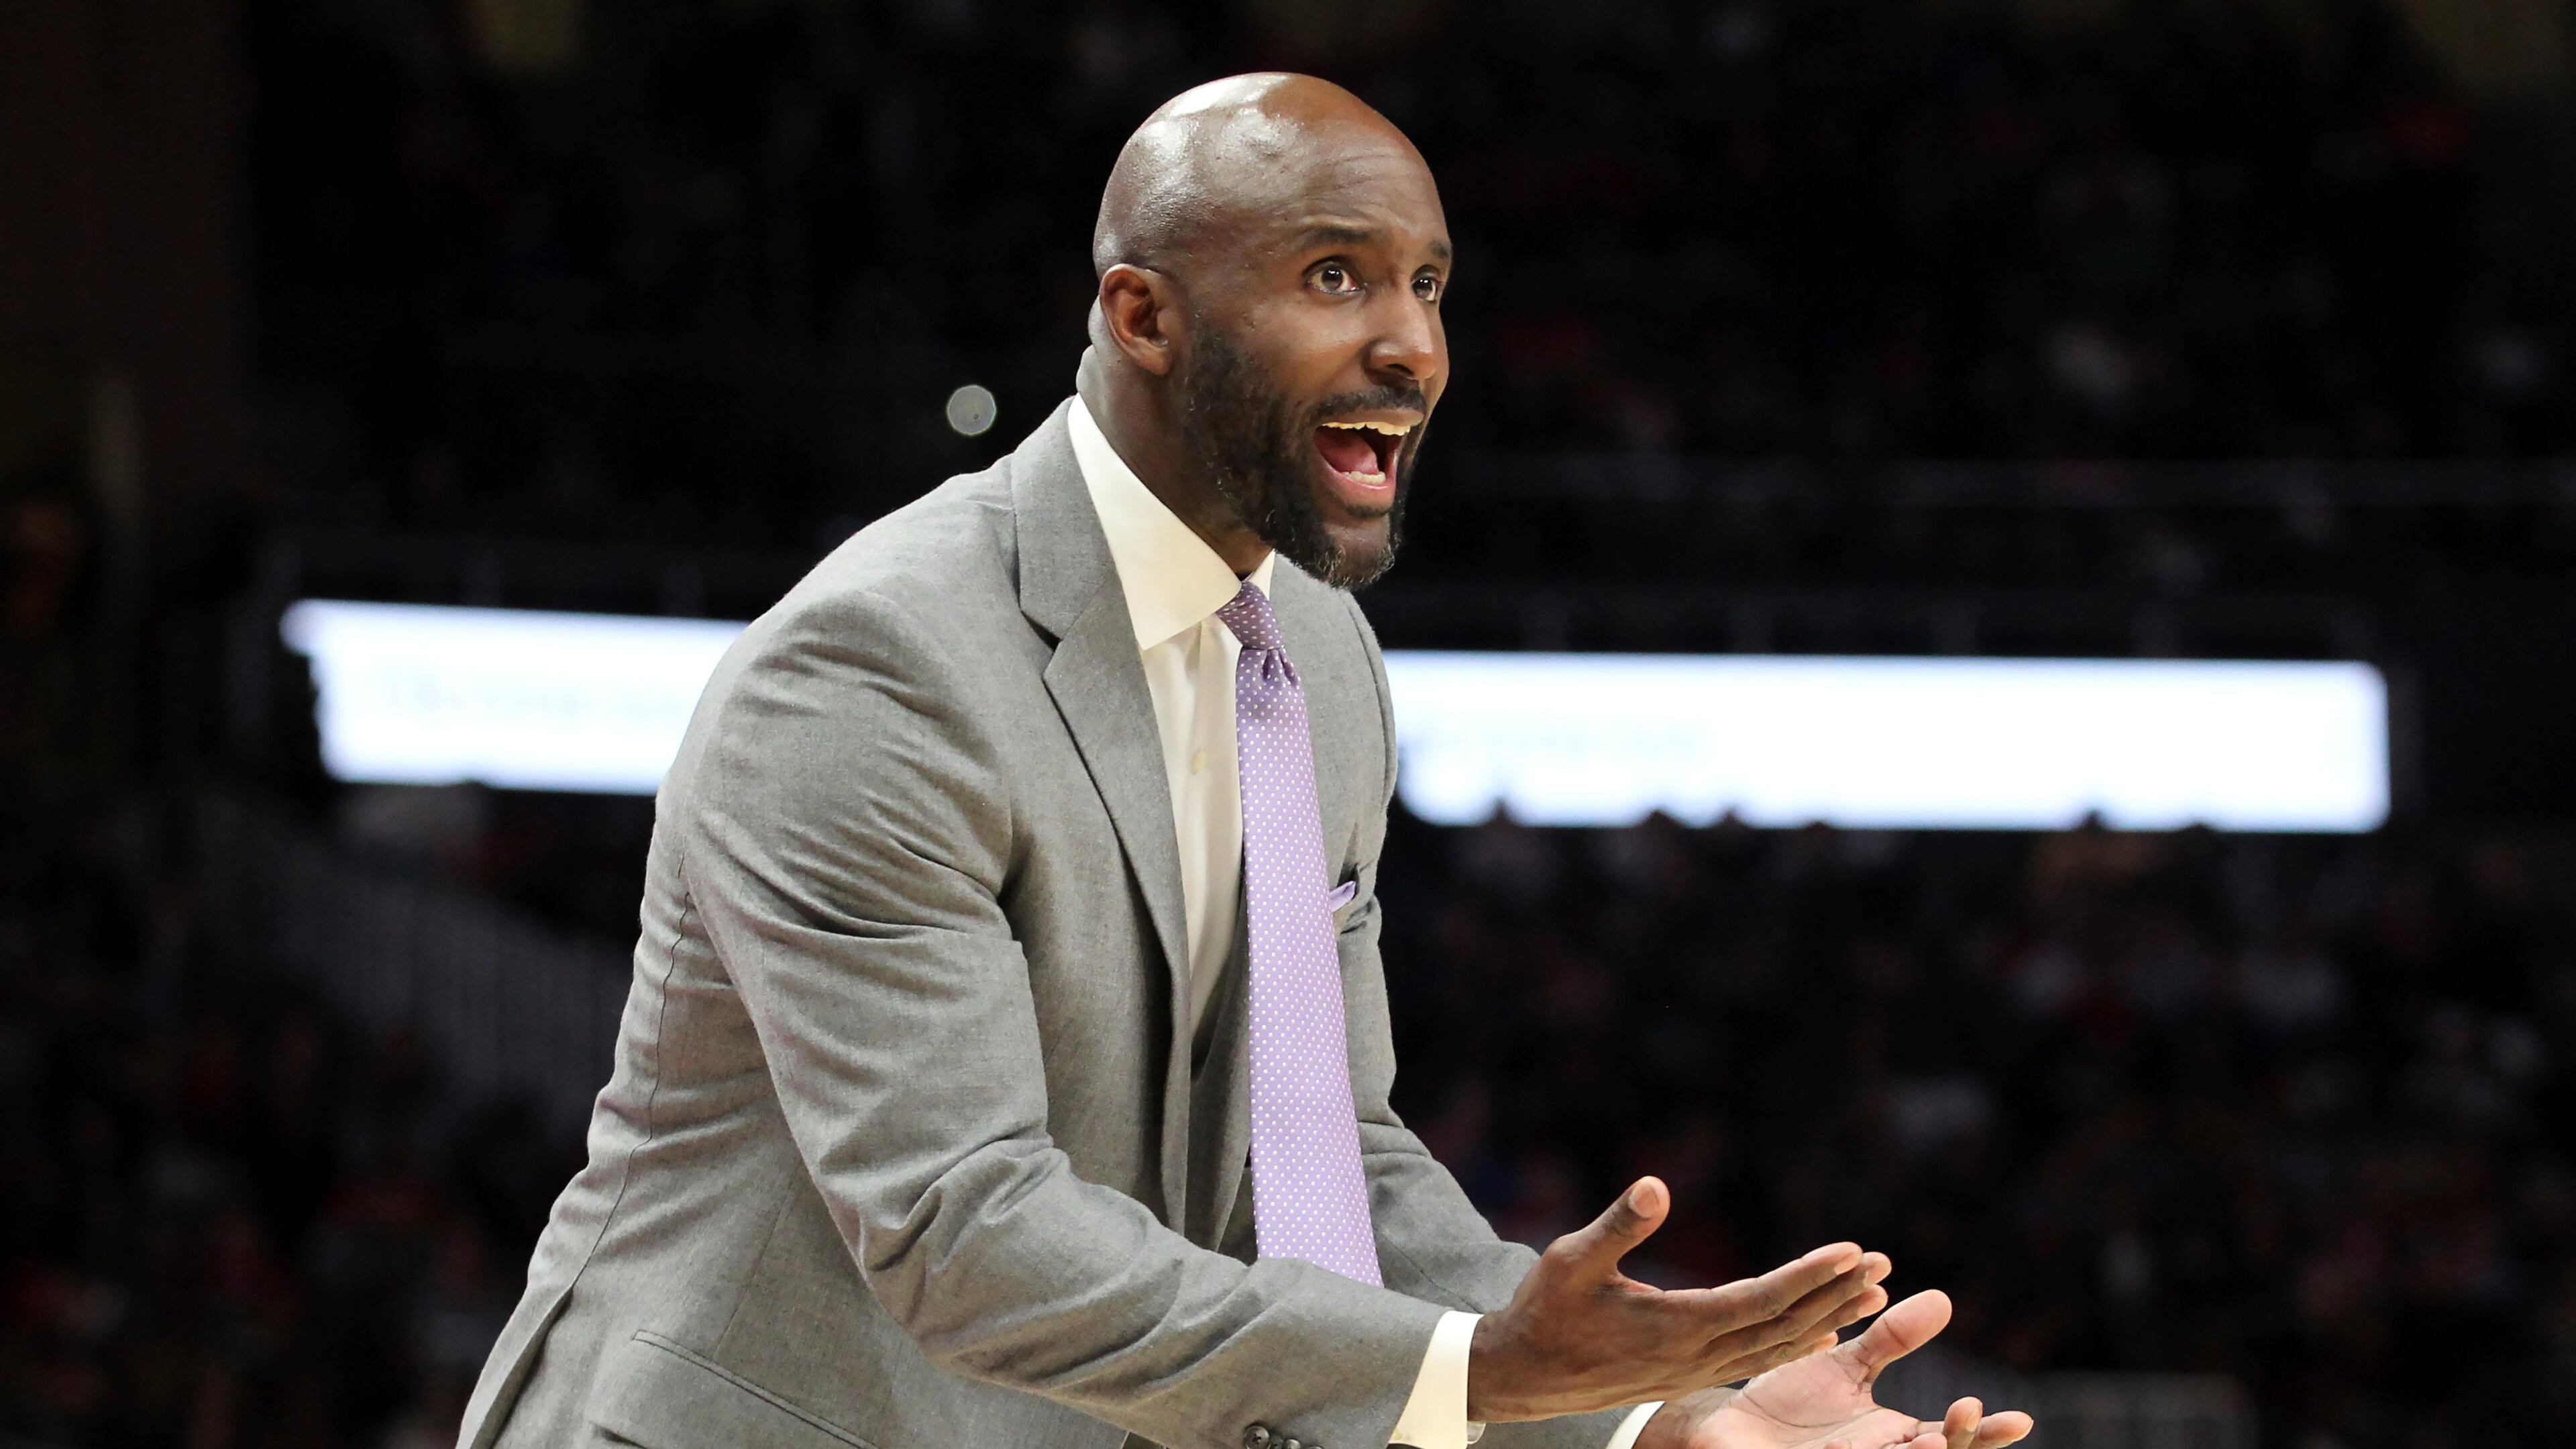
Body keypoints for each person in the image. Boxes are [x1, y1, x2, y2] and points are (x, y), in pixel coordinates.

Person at [455, 74, 2033, 1449]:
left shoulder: (1320, 655)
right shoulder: (878, 672)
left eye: (1430, 285)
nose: (1412, 345)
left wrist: (1654, 1409)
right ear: (1143, 316)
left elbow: (1318, 1153)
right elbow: (962, 1230)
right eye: (1335, 276)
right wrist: (1480, 1372)